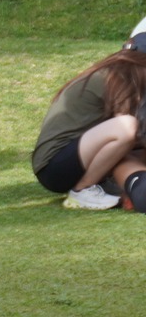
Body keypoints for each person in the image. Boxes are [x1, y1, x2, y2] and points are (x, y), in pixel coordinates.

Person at [32, 22, 146, 211]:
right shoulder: (118, 78)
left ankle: (99, 186)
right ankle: (82, 189)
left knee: (131, 132)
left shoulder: (117, 74)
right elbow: (131, 134)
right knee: (127, 127)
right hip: (55, 166)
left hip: (72, 158)